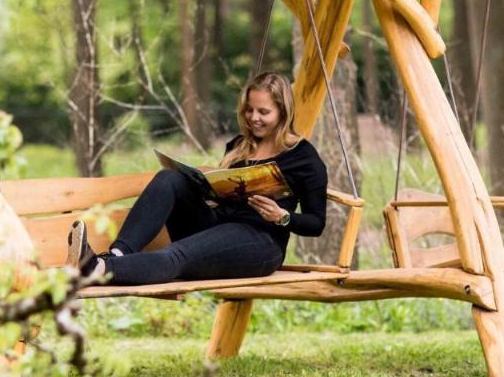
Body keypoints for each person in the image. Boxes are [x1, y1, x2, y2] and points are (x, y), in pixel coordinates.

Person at [69, 71, 327, 286]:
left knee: (176, 255)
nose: (254, 118)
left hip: (260, 242)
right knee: (169, 178)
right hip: (217, 226)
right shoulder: (240, 146)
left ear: (283, 113)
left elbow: (316, 224)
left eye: (263, 112)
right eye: (249, 110)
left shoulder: (303, 157)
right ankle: (117, 253)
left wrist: (281, 216)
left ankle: (99, 269)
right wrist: (207, 186)